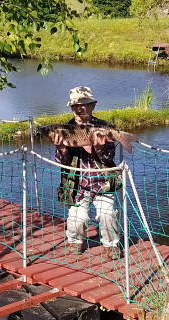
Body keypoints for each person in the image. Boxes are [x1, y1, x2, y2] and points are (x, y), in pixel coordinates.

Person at [54, 86, 120, 260]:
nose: (79, 108)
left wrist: (99, 148)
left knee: (107, 214)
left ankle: (110, 244)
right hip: (77, 185)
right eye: (75, 105)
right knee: (78, 217)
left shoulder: (104, 127)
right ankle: (75, 241)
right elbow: (62, 163)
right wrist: (61, 148)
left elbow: (108, 159)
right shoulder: (64, 129)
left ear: (92, 106)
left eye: (83, 104)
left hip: (102, 182)